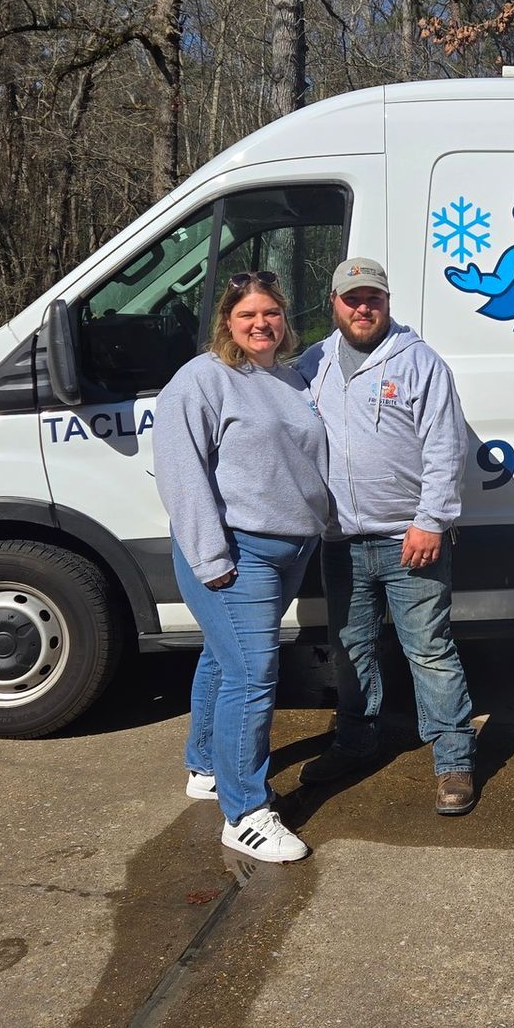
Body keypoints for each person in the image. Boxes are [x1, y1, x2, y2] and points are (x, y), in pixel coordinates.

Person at [154, 270, 329, 863]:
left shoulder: (290, 377)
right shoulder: (202, 380)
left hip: (293, 548)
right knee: (253, 676)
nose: (261, 323)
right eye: (247, 314)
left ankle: (205, 765)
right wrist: (211, 557)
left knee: (224, 660)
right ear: (226, 321)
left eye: (271, 313)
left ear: (285, 318)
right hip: (236, 552)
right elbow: (183, 473)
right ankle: (245, 812)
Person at [296, 257, 478, 814]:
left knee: (428, 649)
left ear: (387, 300)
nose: (362, 307)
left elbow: (447, 448)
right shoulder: (312, 364)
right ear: (334, 303)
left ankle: (454, 763)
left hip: (410, 539)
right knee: (352, 648)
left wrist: (431, 520)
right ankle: (356, 742)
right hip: (341, 540)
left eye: (372, 297)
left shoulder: (421, 363)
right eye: (352, 298)